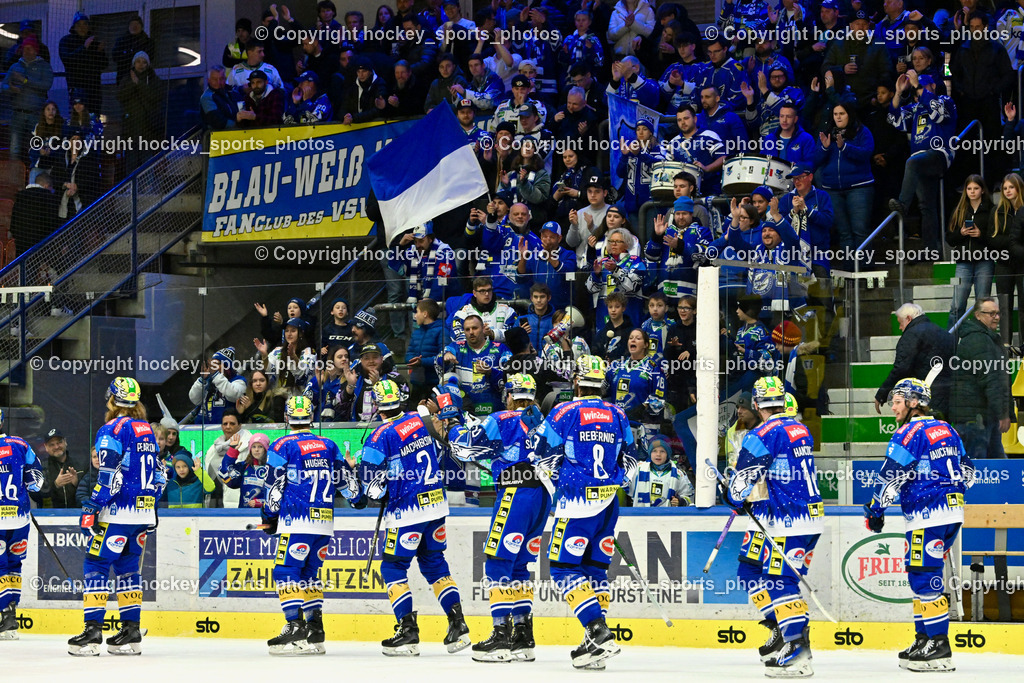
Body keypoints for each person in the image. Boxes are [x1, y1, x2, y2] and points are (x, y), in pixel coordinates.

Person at [532, 355, 638, 669]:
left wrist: (557, 491)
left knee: (563, 569)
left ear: (576, 381)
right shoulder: (618, 413)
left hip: (576, 504)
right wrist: (614, 484)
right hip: (609, 502)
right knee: (594, 570)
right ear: (602, 382)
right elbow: (632, 459)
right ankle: (594, 643)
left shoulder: (564, 410)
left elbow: (540, 457)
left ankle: (597, 629)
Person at [863, 378, 975, 672]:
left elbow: (891, 475)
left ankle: (939, 645)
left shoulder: (908, 433)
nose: (893, 408)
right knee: (919, 574)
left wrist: (876, 509)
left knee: (924, 577)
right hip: (951, 513)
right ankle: (923, 638)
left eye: (897, 401)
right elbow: (969, 471)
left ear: (914, 402)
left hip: (928, 515)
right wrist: (952, 492)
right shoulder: (947, 428)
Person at [358, 380, 470, 656]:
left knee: (393, 568)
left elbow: (371, 487)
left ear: (376, 406)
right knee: (434, 564)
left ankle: (408, 632)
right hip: (435, 504)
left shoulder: (378, 436)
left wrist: (379, 488)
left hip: (406, 511)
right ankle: (458, 625)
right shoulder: (421, 419)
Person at [721, 376, 822, 678]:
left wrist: (731, 494)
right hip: (808, 515)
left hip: (787, 519)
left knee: (779, 582)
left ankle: (797, 648)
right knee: (775, 578)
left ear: (756, 404)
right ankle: (790, 637)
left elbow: (742, 482)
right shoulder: (799, 428)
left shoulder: (761, 434)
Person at [447, 374, 549, 662]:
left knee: (497, 561)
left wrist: (453, 425)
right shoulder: (544, 421)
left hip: (514, 493)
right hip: (542, 497)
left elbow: (465, 448)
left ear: (509, 395)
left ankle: (501, 636)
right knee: (519, 566)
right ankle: (523, 637)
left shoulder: (502, 418)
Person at [68, 378, 164, 656]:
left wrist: (92, 505)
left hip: (116, 513)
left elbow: (108, 475)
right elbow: (160, 475)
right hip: (142, 514)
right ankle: (131, 633)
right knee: (128, 570)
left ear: (112, 400)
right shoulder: (146, 428)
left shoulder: (111, 429)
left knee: (96, 564)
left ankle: (93, 632)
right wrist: (148, 505)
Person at [260, 396, 362, 655]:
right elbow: (343, 480)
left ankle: (294, 627)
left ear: (286, 417)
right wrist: (357, 499)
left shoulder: (281, 444)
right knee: (309, 575)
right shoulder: (328, 444)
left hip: (296, 521)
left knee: (285, 572)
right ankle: (315, 631)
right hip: (324, 522)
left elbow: (274, 486)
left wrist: (269, 516)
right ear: (311, 416)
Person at [887, 72, 957, 253]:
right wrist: (897, 93)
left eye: (922, 86)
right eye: (916, 88)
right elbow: (895, 120)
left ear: (932, 86)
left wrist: (917, 85)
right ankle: (930, 249)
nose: (918, 90)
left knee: (911, 163)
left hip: (939, 154)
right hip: (919, 162)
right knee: (926, 206)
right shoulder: (916, 107)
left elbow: (939, 114)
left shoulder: (945, 100)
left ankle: (902, 204)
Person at [949, 298, 1014, 459]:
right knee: (978, 472)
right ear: (978, 315)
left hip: (982, 416)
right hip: (975, 420)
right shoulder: (979, 340)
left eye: (998, 313)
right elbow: (991, 380)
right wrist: (1003, 413)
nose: (997, 317)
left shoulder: (986, 338)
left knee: (998, 469)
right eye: (991, 313)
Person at [0, 411, 43, 640]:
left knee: (0, 567)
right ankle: (11, 615)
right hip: (19, 518)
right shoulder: (19, 444)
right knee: (14, 565)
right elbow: (37, 482)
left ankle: (6, 614)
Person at [813, 102, 874, 252]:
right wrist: (825, 148)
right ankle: (849, 270)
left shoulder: (861, 131)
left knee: (860, 230)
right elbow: (816, 161)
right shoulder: (827, 134)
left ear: (849, 114)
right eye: (835, 114)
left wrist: (845, 148)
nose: (838, 117)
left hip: (859, 187)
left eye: (842, 114)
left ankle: (865, 269)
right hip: (832, 190)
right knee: (844, 233)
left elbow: (866, 153)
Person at [875, 303, 953, 418]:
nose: (900, 328)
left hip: (925, 395)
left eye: (900, 323)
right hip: (949, 395)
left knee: (922, 433)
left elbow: (901, 368)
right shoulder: (944, 333)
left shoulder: (911, 335)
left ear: (908, 319)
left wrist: (882, 394)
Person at [945, 175, 995, 328]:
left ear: (982, 190)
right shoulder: (959, 210)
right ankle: (950, 343)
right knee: (957, 305)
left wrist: (981, 235)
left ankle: (981, 340)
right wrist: (961, 233)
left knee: (983, 306)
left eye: (976, 188)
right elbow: (950, 239)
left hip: (984, 261)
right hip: (963, 262)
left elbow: (995, 239)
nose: (972, 192)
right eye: (969, 189)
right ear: (965, 191)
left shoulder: (991, 211)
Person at [438, 315, 511, 417]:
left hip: (495, 414)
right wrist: (445, 357)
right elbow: (440, 360)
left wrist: (490, 372)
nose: (471, 332)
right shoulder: (456, 347)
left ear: (483, 328)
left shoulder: (501, 349)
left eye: (475, 328)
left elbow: (510, 378)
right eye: (467, 329)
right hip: (466, 414)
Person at [1, 35, 53, 163]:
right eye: (24, 49)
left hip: (35, 114)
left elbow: (46, 85)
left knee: (37, 145)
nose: (26, 51)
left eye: (29, 48)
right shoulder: (15, 67)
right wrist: (11, 88)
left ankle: (36, 173)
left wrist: (25, 80)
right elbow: (4, 86)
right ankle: (14, 177)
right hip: (17, 114)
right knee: (15, 147)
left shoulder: (43, 66)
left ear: (35, 50)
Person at [58, 13, 106, 115]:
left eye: (85, 24)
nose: (82, 27)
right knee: (78, 120)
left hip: (94, 90)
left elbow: (104, 65)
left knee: (94, 120)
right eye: (79, 25)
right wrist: (84, 48)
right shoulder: (66, 41)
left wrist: (100, 52)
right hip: (77, 89)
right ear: (74, 27)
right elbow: (67, 60)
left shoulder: (93, 42)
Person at [188, 346, 247, 426]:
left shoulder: (239, 380)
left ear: (226, 366)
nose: (212, 367)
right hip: (202, 429)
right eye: (212, 364)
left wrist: (216, 375)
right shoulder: (208, 380)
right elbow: (194, 399)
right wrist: (202, 380)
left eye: (216, 364)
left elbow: (233, 395)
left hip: (225, 429)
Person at [627, 435, 692, 506]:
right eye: (654, 451)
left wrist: (680, 501)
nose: (658, 454)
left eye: (662, 451)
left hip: (666, 516)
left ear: (668, 454)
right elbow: (625, 486)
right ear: (650, 453)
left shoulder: (679, 474)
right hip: (641, 515)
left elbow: (689, 497)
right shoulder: (637, 469)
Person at [10, 171, 59, 255]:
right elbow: (51, 222)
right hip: (40, 246)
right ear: (47, 186)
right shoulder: (48, 196)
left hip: (21, 242)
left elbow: (13, 220)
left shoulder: (21, 196)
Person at [35, 427, 83, 508]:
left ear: (65, 442)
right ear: (46, 447)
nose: (56, 447)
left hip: (77, 514)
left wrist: (77, 484)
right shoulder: (41, 467)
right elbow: (35, 495)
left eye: (59, 442)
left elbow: (89, 493)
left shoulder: (80, 464)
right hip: (48, 517)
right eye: (52, 444)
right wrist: (55, 485)